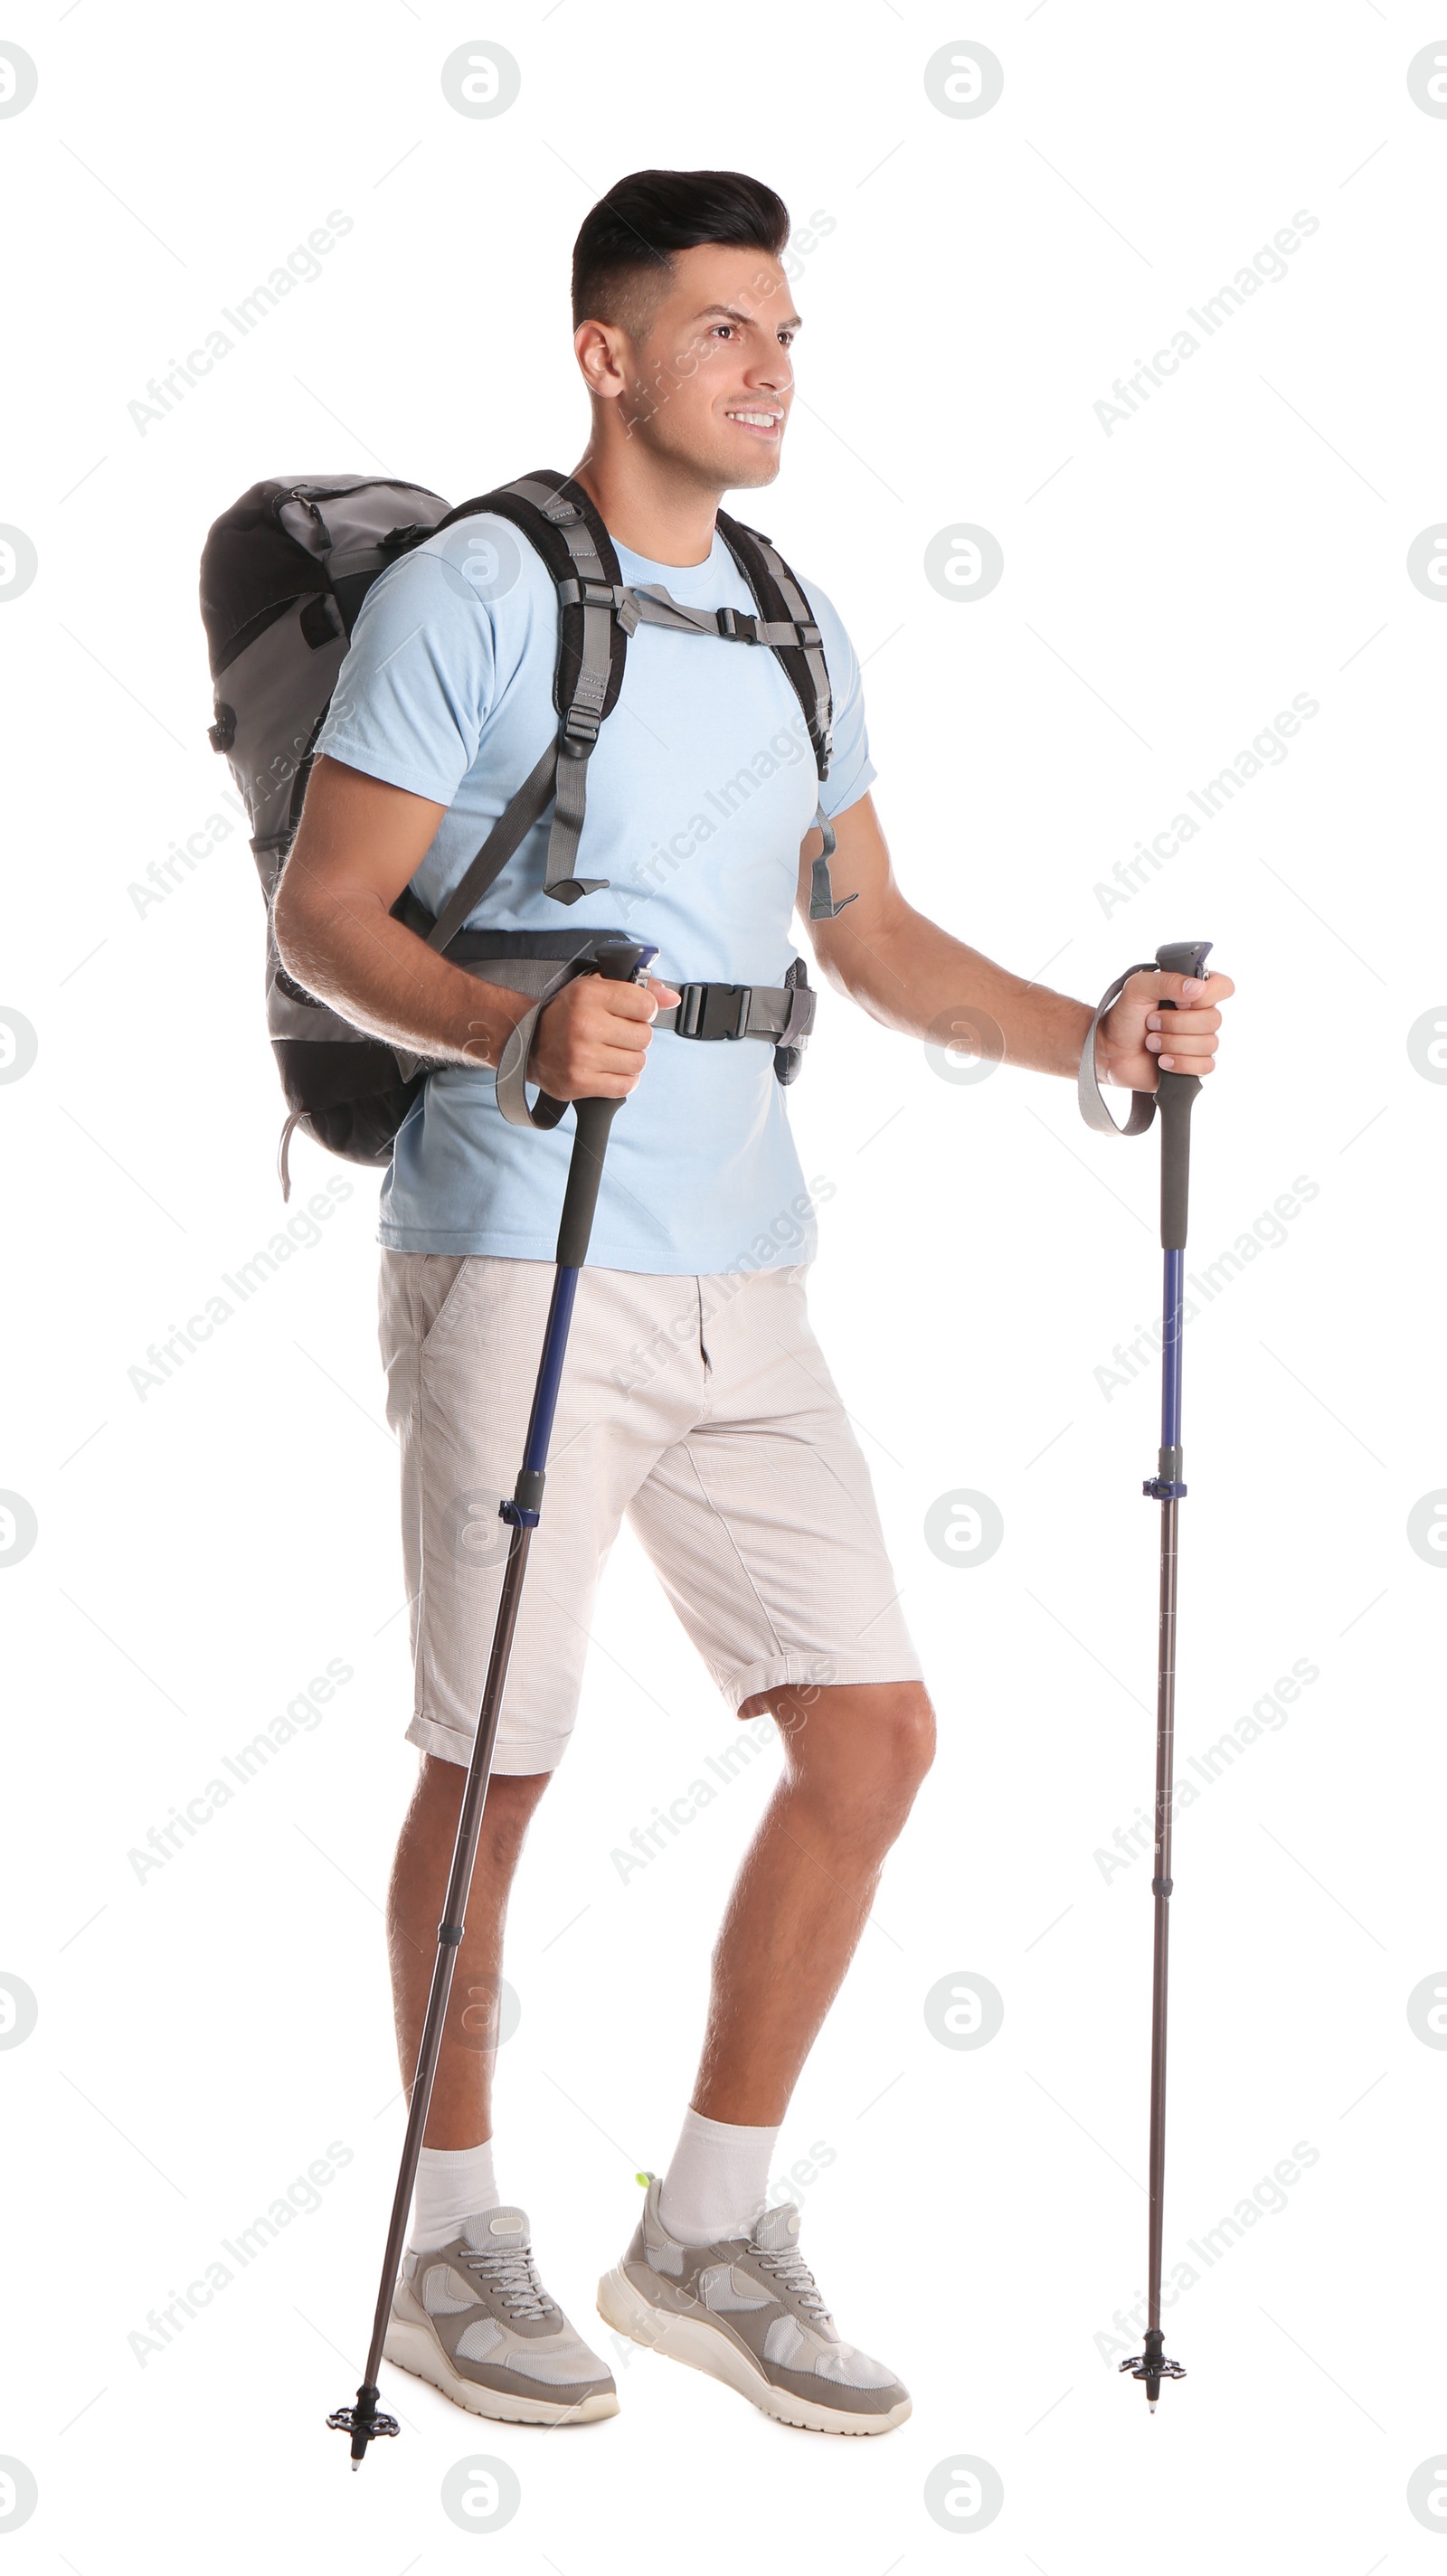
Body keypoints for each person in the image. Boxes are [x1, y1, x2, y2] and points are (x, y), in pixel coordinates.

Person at [274, 166, 1232, 2439]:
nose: (769, 368)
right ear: (606, 354)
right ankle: (443, 2238)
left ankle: (704, 2229)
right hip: (520, 1243)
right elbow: (329, 912)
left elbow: (869, 935)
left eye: (783, 331)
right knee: (495, 1763)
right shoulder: (473, 590)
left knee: (872, 1736)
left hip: (744, 1268)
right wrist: (505, 1031)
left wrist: (1089, 1030)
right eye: (722, 331)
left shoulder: (792, 617)